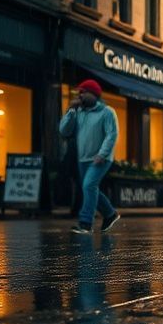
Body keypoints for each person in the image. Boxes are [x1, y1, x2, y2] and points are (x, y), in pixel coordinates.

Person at [58, 79, 121, 234]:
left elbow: (112, 135)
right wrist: (71, 111)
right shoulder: (78, 112)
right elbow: (64, 131)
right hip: (83, 158)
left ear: (93, 94)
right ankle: (110, 214)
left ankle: (86, 223)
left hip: (101, 158)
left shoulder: (107, 112)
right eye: (79, 92)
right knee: (90, 188)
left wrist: (102, 153)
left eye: (83, 92)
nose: (80, 96)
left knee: (88, 186)